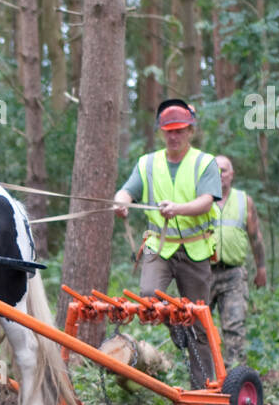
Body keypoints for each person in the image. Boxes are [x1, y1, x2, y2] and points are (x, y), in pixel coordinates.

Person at [113, 99, 221, 388]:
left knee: (198, 320)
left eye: (180, 131)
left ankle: (204, 387)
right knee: (149, 295)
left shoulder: (204, 162)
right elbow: (127, 191)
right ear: (161, 133)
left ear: (190, 131)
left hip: (195, 249)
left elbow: (206, 201)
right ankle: (175, 325)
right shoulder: (147, 163)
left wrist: (178, 208)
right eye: (168, 132)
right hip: (158, 246)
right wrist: (121, 202)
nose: (174, 137)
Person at [210, 155, 267, 368]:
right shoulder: (201, 199)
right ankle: (202, 376)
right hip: (203, 272)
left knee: (234, 326)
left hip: (233, 274)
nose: (219, 175)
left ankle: (233, 376)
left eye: (223, 170)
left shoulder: (244, 201)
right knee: (196, 325)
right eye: (215, 170)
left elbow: (256, 237)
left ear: (232, 174)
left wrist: (261, 268)